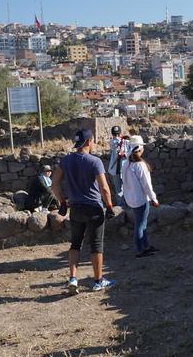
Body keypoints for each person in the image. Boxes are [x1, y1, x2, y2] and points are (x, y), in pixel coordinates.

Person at [51, 129, 116, 294]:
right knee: (96, 246)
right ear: (88, 142)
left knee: (75, 244)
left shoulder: (65, 161)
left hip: (76, 209)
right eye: (93, 140)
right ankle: (98, 281)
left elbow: (54, 184)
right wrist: (109, 206)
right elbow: (104, 187)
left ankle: (73, 278)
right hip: (93, 208)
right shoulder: (95, 161)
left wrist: (62, 202)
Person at [121, 135, 160, 257]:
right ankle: (140, 249)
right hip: (140, 199)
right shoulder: (139, 165)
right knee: (140, 225)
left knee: (141, 223)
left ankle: (145, 246)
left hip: (131, 199)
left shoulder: (126, 163)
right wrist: (153, 198)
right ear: (139, 148)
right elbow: (147, 185)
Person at [106, 125, 127, 207]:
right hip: (124, 168)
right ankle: (126, 205)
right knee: (125, 188)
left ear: (112, 134)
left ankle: (121, 206)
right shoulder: (124, 141)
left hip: (116, 169)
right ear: (120, 133)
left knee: (118, 189)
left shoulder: (113, 142)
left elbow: (114, 142)